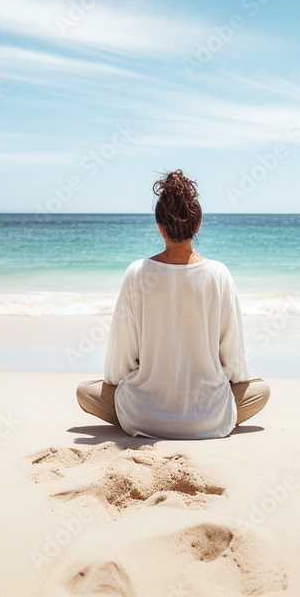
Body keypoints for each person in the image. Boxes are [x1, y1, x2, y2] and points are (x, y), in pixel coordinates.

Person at [76, 169, 269, 439]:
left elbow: (118, 367)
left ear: (159, 226)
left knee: (85, 392)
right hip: (207, 417)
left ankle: (153, 419)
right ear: (198, 224)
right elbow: (234, 362)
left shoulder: (137, 272)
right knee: (261, 391)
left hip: (145, 415)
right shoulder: (219, 274)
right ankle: (202, 420)